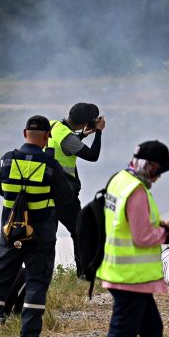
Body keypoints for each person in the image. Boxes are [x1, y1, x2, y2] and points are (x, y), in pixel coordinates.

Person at [87, 141, 169, 337]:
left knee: (153, 330)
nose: (159, 176)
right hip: (131, 277)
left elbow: (127, 226)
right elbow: (141, 237)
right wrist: (167, 231)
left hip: (121, 272)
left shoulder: (119, 180)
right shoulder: (137, 190)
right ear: (150, 166)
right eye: (160, 170)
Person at [0, 115, 74, 337]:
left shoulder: (6, 161)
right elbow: (66, 197)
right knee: (36, 284)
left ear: (24, 133)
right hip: (41, 235)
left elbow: (0, 189)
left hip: (10, 233)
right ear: (47, 136)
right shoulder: (50, 165)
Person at [47, 102, 105, 240]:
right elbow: (92, 156)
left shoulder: (53, 124)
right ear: (86, 122)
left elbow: (61, 147)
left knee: (48, 235)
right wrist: (98, 132)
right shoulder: (69, 138)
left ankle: (46, 262)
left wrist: (82, 136)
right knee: (80, 231)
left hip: (45, 187)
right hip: (62, 192)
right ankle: (82, 262)